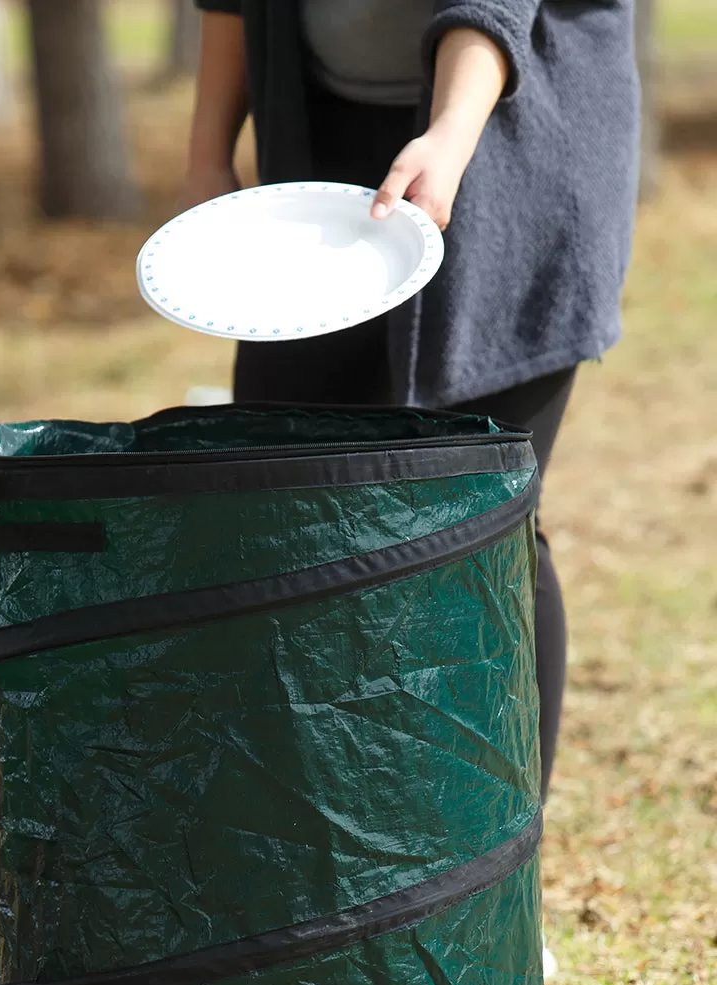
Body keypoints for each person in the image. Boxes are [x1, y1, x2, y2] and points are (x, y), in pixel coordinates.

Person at [181, 1, 639, 810]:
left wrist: (451, 135)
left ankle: (496, 888)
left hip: (511, 146)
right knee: (291, 512)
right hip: (322, 154)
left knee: (482, 526)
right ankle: (352, 859)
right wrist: (206, 156)